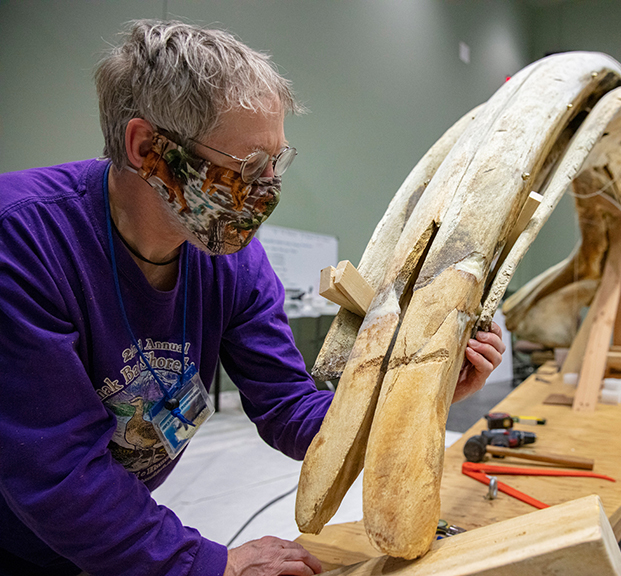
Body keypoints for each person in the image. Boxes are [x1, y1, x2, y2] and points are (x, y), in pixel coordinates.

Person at [0, 20, 505, 576]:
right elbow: (55, 470)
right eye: (248, 166)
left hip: (96, 540)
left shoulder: (231, 259)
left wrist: (418, 392)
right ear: (147, 148)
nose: (268, 187)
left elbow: (288, 408)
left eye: (277, 162)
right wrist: (207, 564)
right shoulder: (23, 241)